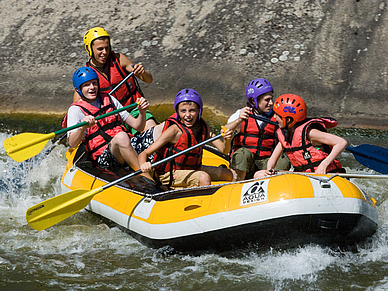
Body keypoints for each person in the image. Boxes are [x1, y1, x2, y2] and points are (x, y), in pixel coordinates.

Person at [139, 88, 236, 188]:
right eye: (183, 111)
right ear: (177, 112)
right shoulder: (174, 131)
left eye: (192, 110)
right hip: (169, 174)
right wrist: (144, 164)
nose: (188, 115)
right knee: (203, 177)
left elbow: (224, 150)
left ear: (199, 111)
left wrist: (227, 140)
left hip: (194, 169)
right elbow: (144, 154)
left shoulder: (203, 126)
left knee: (231, 175)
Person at [67, 66, 151, 179]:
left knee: (159, 130)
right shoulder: (75, 110)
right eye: (87, 85)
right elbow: (72, 143)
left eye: (94, 83)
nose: (92, 87)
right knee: (121, 137)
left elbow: (138, 126)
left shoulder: (109, 99)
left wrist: (142, 112)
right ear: (78, 90)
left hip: (126, 145)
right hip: (104, 158)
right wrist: (82, 127)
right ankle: (147, 177)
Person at [74, 27, 157, 135]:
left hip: (134, 111)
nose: (105, 52)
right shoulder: (86, 75)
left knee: (152, 133)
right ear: (89, 49)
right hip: (112, 121)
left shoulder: (119, 59)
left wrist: (142, 72)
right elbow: (76, 107)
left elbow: (149, 80)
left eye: (107, 48)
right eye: (100, 49)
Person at [256, 94, 347, 178]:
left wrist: (323, 165)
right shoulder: (285, 135)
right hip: (304, 176)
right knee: (258, 174)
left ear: (288, 119)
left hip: (325, 176)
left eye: (277, 115)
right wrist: (269, 170)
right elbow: (273, 159)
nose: (274, 117)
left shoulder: (310, 133)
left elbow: (341, 143)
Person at [225, 78, 290, 181]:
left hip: (266, 163)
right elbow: (224, 131)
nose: (271, 103)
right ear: (253, 100)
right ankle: (237, 184)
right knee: (242, 153)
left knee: (283, 161)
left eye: (271, 99)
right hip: (245, 164)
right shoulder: (241, 114)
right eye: (267, 100)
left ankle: (274, 186)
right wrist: (238, 120)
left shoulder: (277, 117)